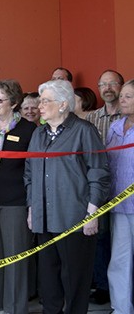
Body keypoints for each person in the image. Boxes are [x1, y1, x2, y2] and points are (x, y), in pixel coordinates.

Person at [24, 79, 110, 314]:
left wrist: (93, 213)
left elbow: (99, 173)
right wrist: (32, 208)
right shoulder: (39, 134)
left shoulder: (84, 131)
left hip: (75, 218)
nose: (39, 105)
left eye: (45, 101)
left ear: (63, 104)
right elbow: (29, 173)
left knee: (75, 279)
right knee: (48, 279)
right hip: (44, 218)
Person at [0, 80, 36, 314]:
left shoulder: (29, 130)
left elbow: (34, 169)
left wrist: (32, 205)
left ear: (14, 102)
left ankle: (14, 308)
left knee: (15, 257)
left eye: (0, 99)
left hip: (16, 202)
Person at [85, 69, 123, 304]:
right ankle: (103, 286)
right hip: (100, 187)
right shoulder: (90, 118)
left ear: (120, 87)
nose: (108, 88)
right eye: (103, 84)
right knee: (100, 237)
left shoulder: (129, 114)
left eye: (112, 84)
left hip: (124, 185)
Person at [106, 79, 134, 314]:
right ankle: (121, 308)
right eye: (122, 96)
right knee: (119, 260)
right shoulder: (114, 127)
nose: (122, 100)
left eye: (128, 96)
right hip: (119, 204)